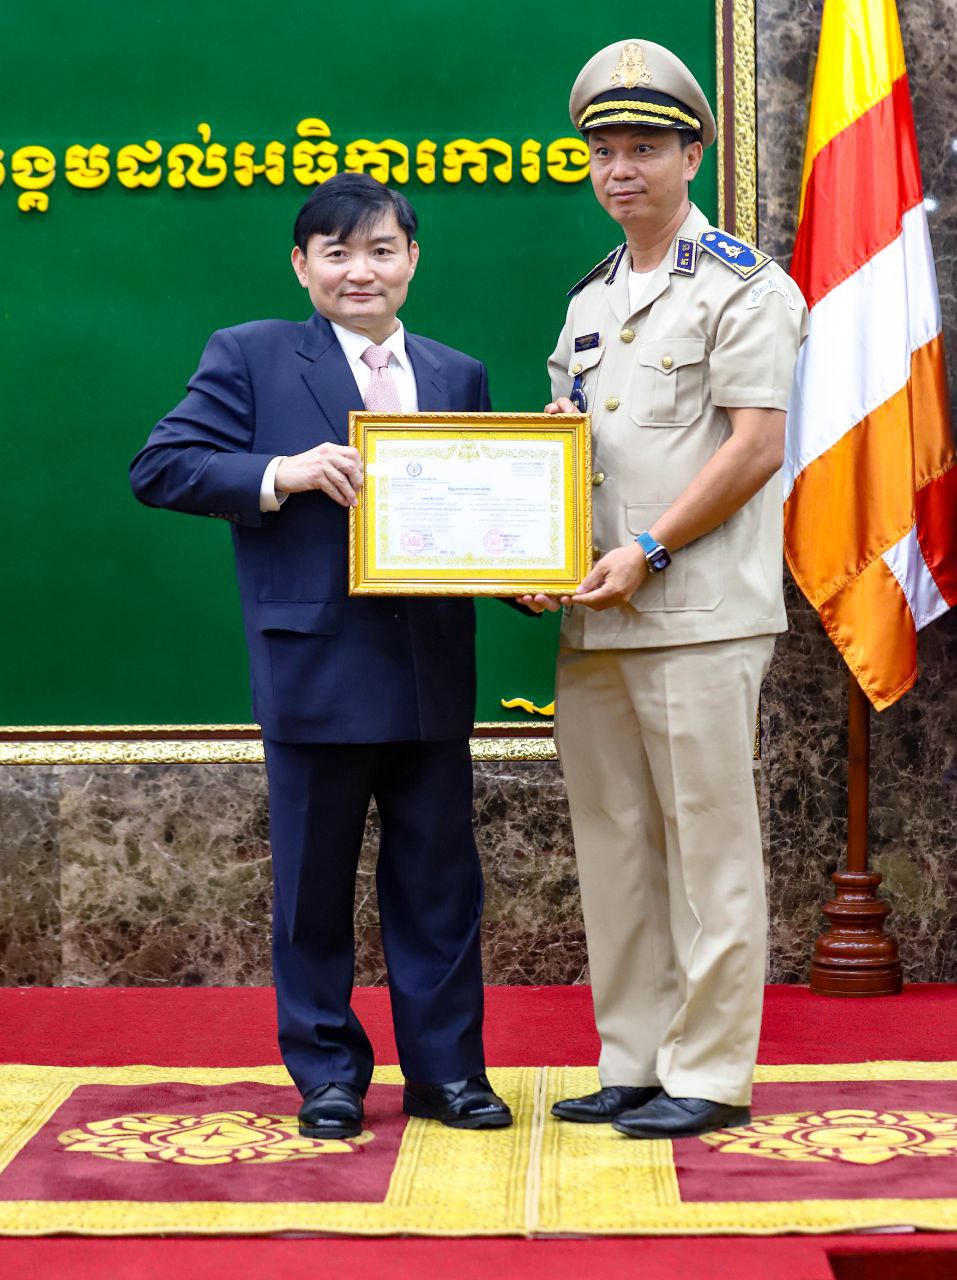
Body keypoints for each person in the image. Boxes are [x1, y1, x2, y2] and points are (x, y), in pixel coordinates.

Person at [130, 173, 511, 1139]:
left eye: (381, 249)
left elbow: (479, 518)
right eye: (337, 253)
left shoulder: (457, 374)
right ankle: (328, 1074)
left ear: (412, 259)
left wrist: (523, 570)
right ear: (301, 266)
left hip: (430, 673)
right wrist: (281, 472)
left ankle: (448, 1075)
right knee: (312, 890)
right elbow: (161, 466)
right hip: (315, 670)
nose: (360, 270)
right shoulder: (251, 355)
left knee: (440, 888)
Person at [520, 39, 808, 1138]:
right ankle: (633, 1057)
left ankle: (712, 1068)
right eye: (603, 151)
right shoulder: (589, 299)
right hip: (596, 621)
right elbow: (569, 449)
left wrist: (647, 547)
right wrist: (536, 550)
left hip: (695, 615)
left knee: (707, 845)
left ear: (693, 155)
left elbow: (755, 447)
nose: (620, 169)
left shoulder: (744, 285)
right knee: (615, 846)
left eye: (644, 147)